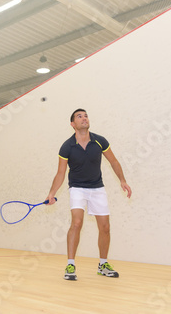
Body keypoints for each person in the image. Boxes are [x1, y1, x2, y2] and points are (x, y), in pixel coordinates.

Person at [46, 108, 132, 281]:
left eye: (85, 116)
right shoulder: (67, 146)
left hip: (97, 188)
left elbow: (113, 161)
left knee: (105, 227)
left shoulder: (100, 141)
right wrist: (52, 193)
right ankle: (70, 265)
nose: (84, 118)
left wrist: (122, 180)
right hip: (77, 188)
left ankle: (103, 265)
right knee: (76, 223)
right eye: (79, 116)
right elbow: (61, 173)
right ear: (73, 124)